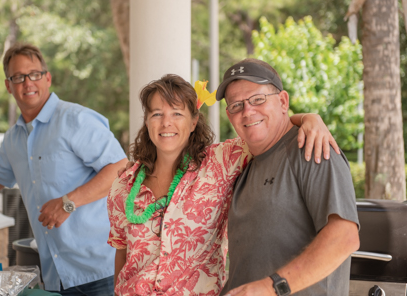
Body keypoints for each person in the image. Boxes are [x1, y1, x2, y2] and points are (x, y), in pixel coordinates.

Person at [0, 43, 128, 296]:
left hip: (101, 271)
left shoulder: (76, 119)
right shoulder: (14, 139)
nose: (28, 83)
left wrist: (68, 202)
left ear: (47, 78)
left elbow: (121, 168)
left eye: (34, 74)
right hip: (56, 275)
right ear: (9, 86)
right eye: (18, 77)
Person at [107, 74, 337, 296]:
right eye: (157, 114)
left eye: (177, 113)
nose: (166, 123)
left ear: (194, 121)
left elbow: (269, 130)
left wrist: (309, 118)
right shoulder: (124, 185)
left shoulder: (221, 162)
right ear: (147, 121)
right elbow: (122, 252)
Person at [217, 58, 360, 296]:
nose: (247, 111)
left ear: (283, 101)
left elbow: (344, 237)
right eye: (236, 105)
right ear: (229, 115)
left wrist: (271, 287)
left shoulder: (313, 148)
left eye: (258, 99)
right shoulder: (242, 165)